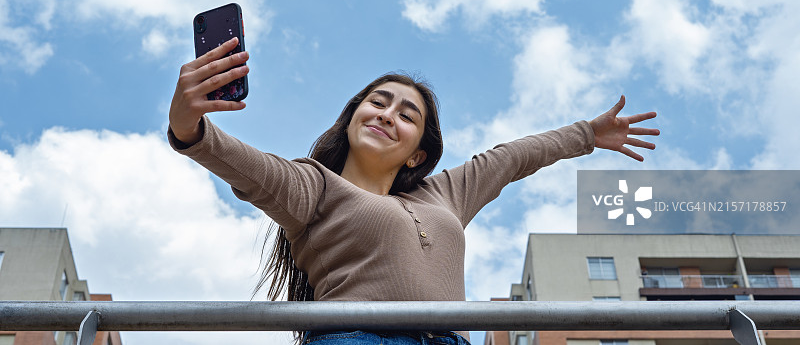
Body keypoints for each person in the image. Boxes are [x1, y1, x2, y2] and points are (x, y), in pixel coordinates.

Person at [168, 37, 659, 345]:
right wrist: (189, 126)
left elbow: (511, 157)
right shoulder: (313, 186)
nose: (387, 115)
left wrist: (587, 134)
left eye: (407, 115)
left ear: (417, 155)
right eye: (377, 103)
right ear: (353, 118)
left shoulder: (443, 195)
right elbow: (246, 166)